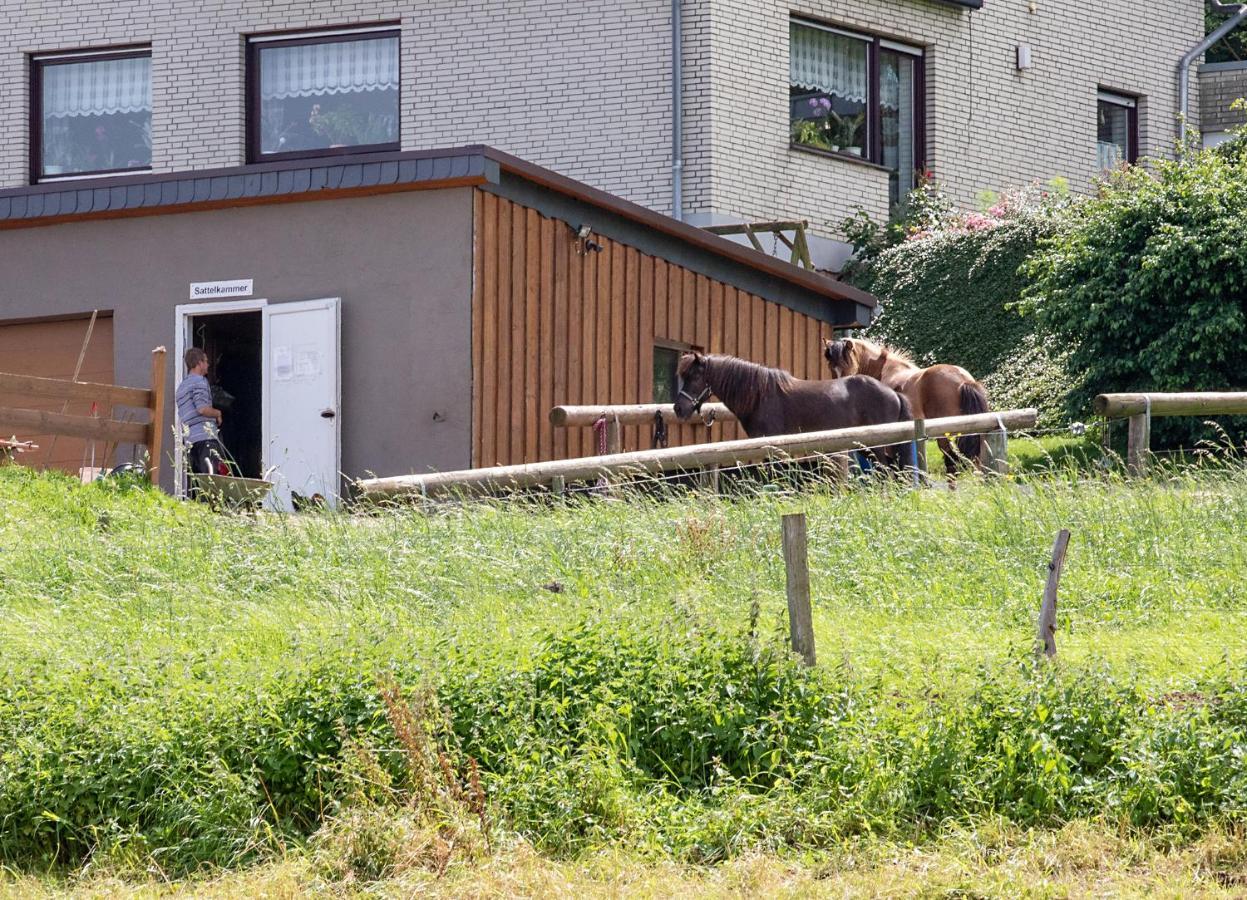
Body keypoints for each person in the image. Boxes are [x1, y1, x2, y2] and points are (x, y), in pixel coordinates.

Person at [175, 347, 225, 492]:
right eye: (206, 361)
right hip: (205, 437)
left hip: (190, 440)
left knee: (197, 482)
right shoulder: (200, 382)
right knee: (211, 479)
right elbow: (202, 409)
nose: (208, 365)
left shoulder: (182, 387)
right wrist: (218, 413)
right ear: (199, 363)